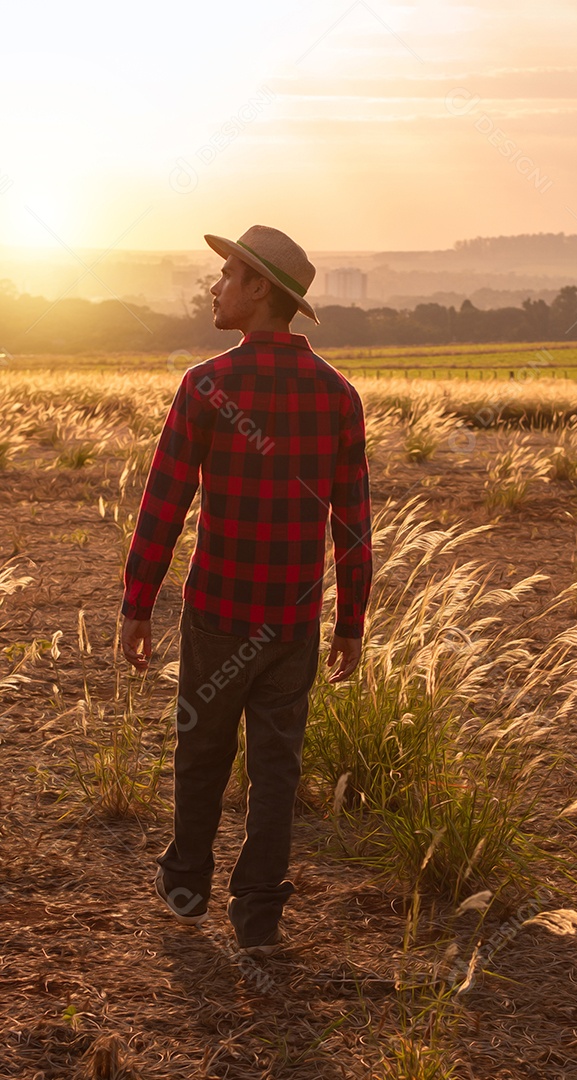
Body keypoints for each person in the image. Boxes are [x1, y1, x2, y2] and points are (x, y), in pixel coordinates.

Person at [120, 224, 372, 957]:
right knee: (277, 766)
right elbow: (352, 526)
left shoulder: (205, 385)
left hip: (218, 615)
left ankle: (187, 884)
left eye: (227, 273)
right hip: (293, 623)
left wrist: (139, 604)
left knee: (201, 750)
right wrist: (349, 621)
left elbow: (164, 505)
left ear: (259, 289)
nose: (214, 285)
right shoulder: (338, 395)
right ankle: (258, 912)